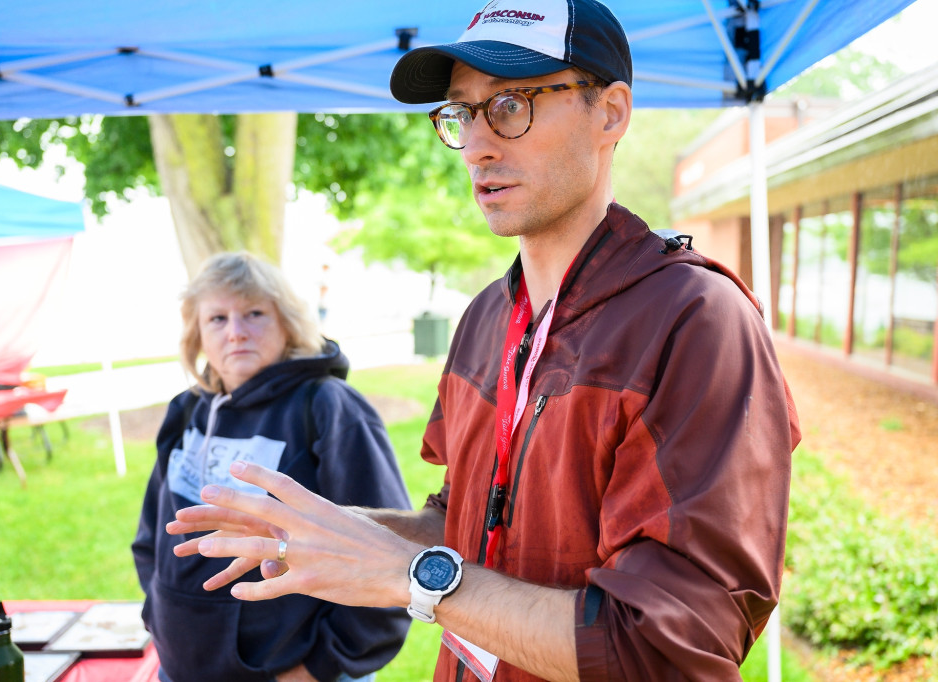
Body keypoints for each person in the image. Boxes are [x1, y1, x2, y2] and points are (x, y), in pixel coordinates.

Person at [166, 2, 801, 680]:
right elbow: (462, 524)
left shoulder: (695, 321)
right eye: (462, 113)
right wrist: (335, 530)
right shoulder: (486, 319)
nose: (477, 144)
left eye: (511, 106)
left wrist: (412, 578)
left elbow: (666, 649)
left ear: (610, 113)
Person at [132, 251, 412, 682]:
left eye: (254, 313)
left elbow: (386, 555)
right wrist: (161, 614)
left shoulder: (328, 406)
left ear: (287, 324)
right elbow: (153, 535)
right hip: (181, 668)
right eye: (218, 319)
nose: (236, 333)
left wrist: (317, 668)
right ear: (197, 335)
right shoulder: (186, 409)